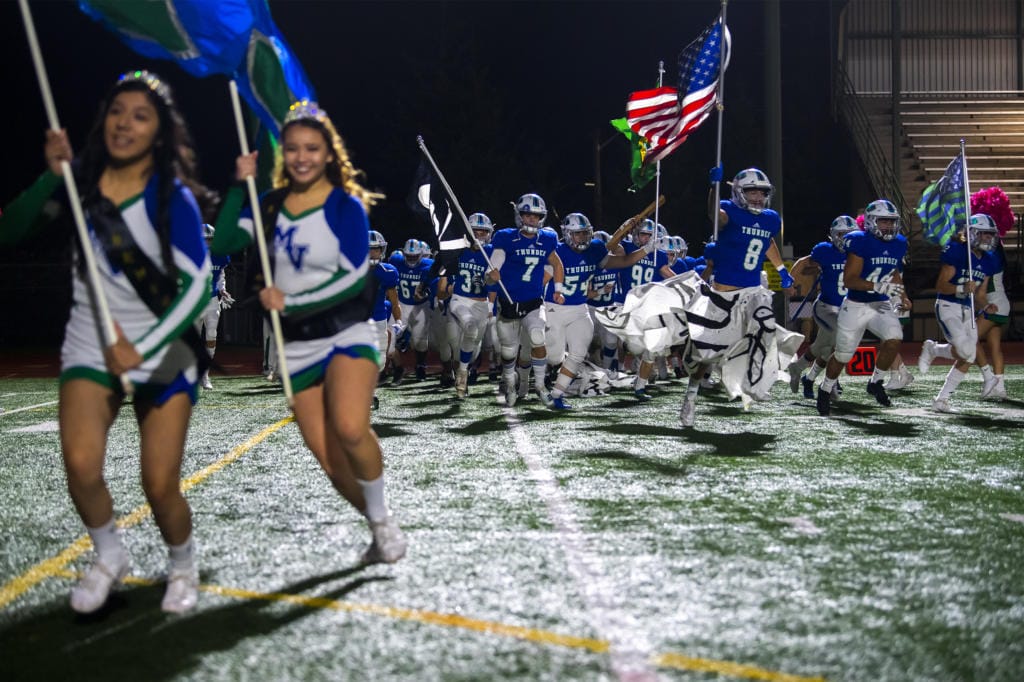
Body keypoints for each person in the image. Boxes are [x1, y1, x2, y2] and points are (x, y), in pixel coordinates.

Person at [0, 71, 213, 614]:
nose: (125, 122)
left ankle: (183, 566)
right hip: (90, 342)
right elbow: (11, 231)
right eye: (118, 110)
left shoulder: (173, 199)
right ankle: (110, 554)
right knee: (80, 463)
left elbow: (197, 287)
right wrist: (53, 177)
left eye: (140, 115)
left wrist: (144, 348)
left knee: (160, 484)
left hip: (163, 347)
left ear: (159, 132)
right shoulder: (81, 184)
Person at [213, 99, 406, 564]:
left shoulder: (345, 205)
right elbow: (222, 243)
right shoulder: (270, 204)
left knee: (349, 427)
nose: (301, 156)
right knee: (326, 457)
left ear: (327, 153)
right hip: (296, 344)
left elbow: (352, 275)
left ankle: (381, 524)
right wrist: (240, 188)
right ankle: (381, 525)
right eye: (293, 148)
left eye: (311, 148)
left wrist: (292, 300)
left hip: (347, 332)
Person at [680, 167, 795, 427]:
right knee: (706, 357)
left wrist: (781, 270)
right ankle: (690, 396)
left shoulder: (770, 218)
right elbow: (714, 215)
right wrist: (713, 188)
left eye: (761, 193)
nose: (757, 197)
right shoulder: (727, 211)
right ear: (738, 193)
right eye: (751, 192)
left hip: (753, 290)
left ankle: (754, 381)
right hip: (723, 293)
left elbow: (766, 241)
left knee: (765, 326)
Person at [546, 212, 659, 409]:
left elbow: (623, 262)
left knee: (579, 353)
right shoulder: (556, 250)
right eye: (577, 234)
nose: (582, 238)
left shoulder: (594, 249)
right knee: (554, 356)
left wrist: (647, 250)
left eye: (585, 233)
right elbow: (544, 278)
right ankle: (542, 376)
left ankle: (556, 394)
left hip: (580, 308)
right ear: (566, 233)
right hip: (554, 307)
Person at [811, 199, 911, 416]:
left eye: (891, 222)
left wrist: (902, 294)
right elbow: (850, 280)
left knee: (894, 337)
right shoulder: (860, 242)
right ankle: (825, 388)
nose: (888, 226)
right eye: (883, 221)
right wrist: (877, 285)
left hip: (880, 302)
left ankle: (876, 381)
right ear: (871, 222)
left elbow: (892, 271)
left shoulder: (898, 243)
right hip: (856, 304)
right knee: (844, 354)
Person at [485, 193, 563, 406]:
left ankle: (539, 386)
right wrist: (491, 275)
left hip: (533, 301)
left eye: (536, 216)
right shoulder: (505, 237)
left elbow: (556, 264)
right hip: (509, 303)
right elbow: (491, 271)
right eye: (528, 215)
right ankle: (510, 383)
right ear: (520, 216)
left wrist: (558, 289)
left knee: (538, 337)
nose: (532, 220)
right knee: (509, 351)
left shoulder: (546, 239)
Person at [917, 214, 999, 411]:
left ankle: (941, 399)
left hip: (968, 309)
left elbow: (979, 294)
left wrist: (986, 306)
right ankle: (933, 350)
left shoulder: (988, 260)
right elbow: (941, 285)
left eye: (990, 235)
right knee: (965, 350)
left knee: (968, 355)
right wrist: (962, 288)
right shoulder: (957, 251)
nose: (988, 238)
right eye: (984, 234)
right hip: (948, 306)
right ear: (972, 234)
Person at [790, 215, 856, 399]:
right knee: (839, 342)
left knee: (822, 347)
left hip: (848, 309)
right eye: (842, 234)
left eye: (850, 235)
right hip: (826, 307)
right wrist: (789, 280)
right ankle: (830, 383)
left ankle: (804, 374)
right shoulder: (825, 250)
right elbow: (804, 262)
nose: (846, 239)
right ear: (834, 235)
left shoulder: (859, 253)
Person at [440, 212, 496, 399]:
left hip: (481, 305)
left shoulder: (491, 253)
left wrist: (491, 280)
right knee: (464, 337)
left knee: (471, 350)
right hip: (459, 300)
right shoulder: (457, 250)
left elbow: (491, 282)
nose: (479, 235)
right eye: (475, 232)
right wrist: (446, 287)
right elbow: (441, 284)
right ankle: (462, 374)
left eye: (483, 232)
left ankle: (463, 371)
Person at [389, 239, 433, 382]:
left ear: (421, 255)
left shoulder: (428, 265)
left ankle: (420, 365)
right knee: (390, 337)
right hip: (401, 304)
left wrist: (426, 292)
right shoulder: (396, 261)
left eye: (415, 256)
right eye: (408, 256)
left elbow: (435, 286)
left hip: (421, 306)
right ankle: (397, 368)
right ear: (403, 254)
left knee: (420, 340)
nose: (411, 259)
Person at [368, 230, 403, 409]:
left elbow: (394, 299)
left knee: (380, 361)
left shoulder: (388, 271)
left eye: (376, 249)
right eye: (368, 249)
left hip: (379, 318)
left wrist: (398, 321)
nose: (372, 253)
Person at [199, 224, 233, 390]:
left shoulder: (219, 255)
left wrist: (223, 289)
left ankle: (205, 375)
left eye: (210, 239)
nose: (208, 242)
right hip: (196, 301)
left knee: (211, 335)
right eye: (205, 239)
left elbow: (220, 274)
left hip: (212, 299)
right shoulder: (191, 254)